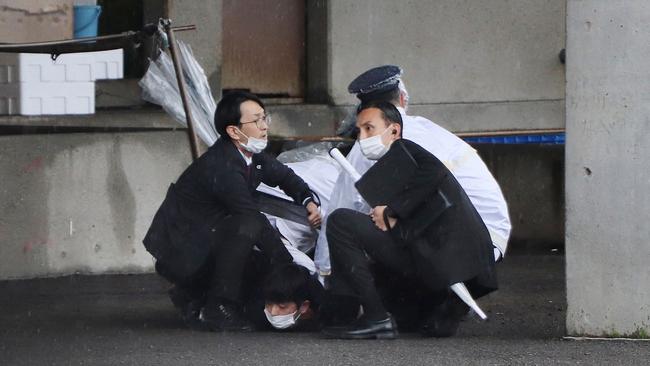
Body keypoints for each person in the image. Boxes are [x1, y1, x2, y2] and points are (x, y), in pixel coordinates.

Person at [143, 91, 321, 331]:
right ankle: (218, 307)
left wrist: (308, 201)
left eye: (264, 118)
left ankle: (194, 295)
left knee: (260, 258)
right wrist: (287, 267)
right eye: (256, 121)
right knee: (248, 228)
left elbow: (285, 177)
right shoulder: (222, 166)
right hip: (181, 251)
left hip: (205, 240)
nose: (264, 127)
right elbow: (251, 217)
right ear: (234, 131)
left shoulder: (250, 156)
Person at [322, 101, 497, 339]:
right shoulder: (392, 165)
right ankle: (387, 313)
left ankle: (375, 318)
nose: (362, 137)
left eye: (369, 129)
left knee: (341, 221)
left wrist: (391, 211)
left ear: (393, 130)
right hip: (433, 260)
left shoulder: (406, 151)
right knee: (410, 319)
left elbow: (433, 173)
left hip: (441, 259)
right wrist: (389, 217)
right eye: (359, 131)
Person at [314, 65, 511, 276]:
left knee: (348, 224)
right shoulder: (428, 128)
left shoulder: (375, 140)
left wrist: (324, 271)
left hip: (457, 246)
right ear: (402, 98)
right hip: (493, 238)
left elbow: (345, 202)